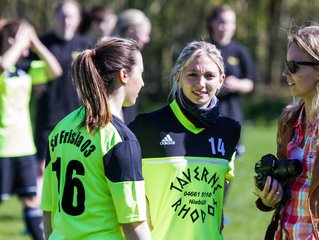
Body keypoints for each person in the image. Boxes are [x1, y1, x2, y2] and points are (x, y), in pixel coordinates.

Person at [254, 24, 319, 239]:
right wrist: (268, 198)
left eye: (293, 66)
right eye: (285, 64)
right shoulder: (288, 120)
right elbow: (285, 192)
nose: (285, 73)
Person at [41, 37, 151, 240]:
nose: (143, 82)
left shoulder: (60, 129)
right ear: (124, 75)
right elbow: (133, 223)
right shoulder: (119, 140)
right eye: (141, 73)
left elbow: (48, 210)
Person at [129, 41, 241, 240]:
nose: (201, 83)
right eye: (192, 75)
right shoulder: (145, 127)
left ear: (221, 80)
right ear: (177, 77)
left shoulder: (230, 130)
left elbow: (217, 200)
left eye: (209, 76)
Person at [0, 19, 62, 240]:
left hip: (23, 146)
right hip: (2, 148)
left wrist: (35, 42)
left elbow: (55, 70)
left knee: (31, 199)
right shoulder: (4, 64)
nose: (27, 50)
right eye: (25, 44)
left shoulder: (25, 68)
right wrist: (19, 44)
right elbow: (3, 65)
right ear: (11, 41)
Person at [34, 0, 92, 165]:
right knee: (44, 169)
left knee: (77, 166)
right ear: (55, 17)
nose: (66, 21)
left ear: (78, 20)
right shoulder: (42, 44)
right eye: (63, 16)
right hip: (48, 119)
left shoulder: (86, 45)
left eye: (71, 17)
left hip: (79, 118)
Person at [207, 4, 257, 156]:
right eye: (222, 21)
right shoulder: (205, 49)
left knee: (229, 162)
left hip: (232, 114)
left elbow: (251, 83)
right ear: (212, 23)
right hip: (207, 114)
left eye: (230, 22)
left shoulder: (240, 51)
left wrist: (237, 84)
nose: (226, 26)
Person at [113, 8, 152, 124]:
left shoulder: (122, 53)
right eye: (144, 34)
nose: (147, 39)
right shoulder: (116, 57)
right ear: (130, 31)